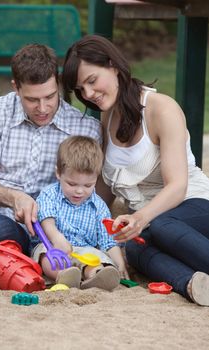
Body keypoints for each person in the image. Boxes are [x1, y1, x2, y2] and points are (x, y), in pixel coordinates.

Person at [61, 34, 209, 306]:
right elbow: (103, 188)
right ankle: (194, 285)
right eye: (81, 89)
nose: (89, 94)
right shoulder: (106, 116)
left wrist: (140, 218)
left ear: (113, 65)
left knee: (160, 227)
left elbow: (177, 186)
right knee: (134, 249)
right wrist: (80, 220)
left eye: (92, 81)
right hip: (151, 223)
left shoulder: (161, 109)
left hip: (192, 204)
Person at [0, 43, 102, 267]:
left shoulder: (86, 129)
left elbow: (89, 196)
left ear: (58, 82)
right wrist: (15, 197)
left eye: (50, 97)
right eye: (32, 100)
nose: (42, 108)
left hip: (31, 232)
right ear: (16, 87)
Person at [33, 135, 128, 290]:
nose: (79, 191)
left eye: (88, 185)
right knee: (46, 255)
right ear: (58, 173)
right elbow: (46, 220)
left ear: (96, 179)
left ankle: (96, 275)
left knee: (98, 259)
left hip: (85, 249)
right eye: (71, 183)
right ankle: (63, 275)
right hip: (53, 246)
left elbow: (107, 241)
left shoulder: (99, 206)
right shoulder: (50, 194)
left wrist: (120, 263)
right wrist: (56, 237)